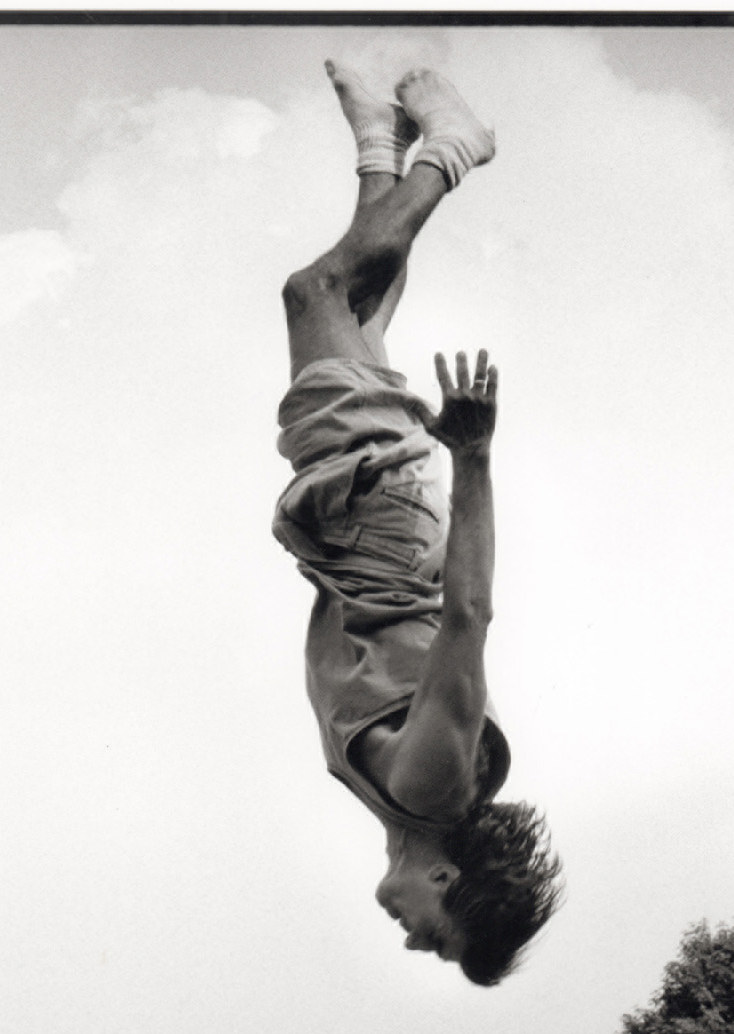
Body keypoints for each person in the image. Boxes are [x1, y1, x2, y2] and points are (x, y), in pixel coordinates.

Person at [274, 61, 563, 986]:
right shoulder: (431, 788)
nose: (411, 941)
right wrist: (473, 456)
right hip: (379, 528)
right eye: (437, 937)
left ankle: (381, 144)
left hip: (361, 538)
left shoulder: (402, 808)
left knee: (356, 311)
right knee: (317, 294)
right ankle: (452, 152)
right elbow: (468, 618)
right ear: (449, 881)